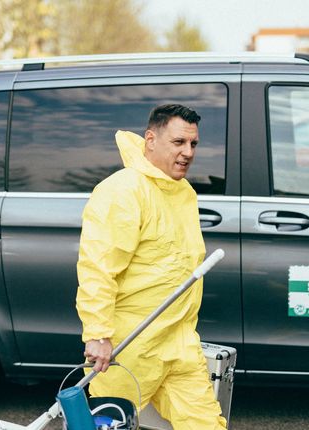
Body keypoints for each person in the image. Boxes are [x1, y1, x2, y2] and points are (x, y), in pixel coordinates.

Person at [76, 104, 227, 429]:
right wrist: (99, 334)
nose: (188, 152)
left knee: (206, 424)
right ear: (151, 139)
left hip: (179, 342)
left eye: (193, 144)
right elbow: (98, 268)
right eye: (178, 143)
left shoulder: (181, 192)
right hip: (130, 345)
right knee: (111, 424)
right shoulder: (122, 192)